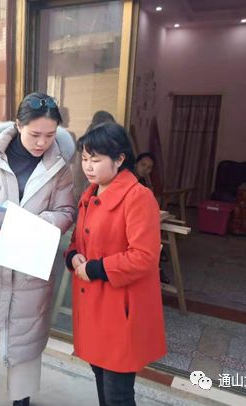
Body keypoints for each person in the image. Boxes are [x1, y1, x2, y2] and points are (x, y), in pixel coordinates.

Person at [0, 92, 76, 406]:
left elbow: (67, 212)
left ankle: (20, 401)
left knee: (24, 346)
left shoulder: (60, 167)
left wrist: (31, 224)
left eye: (50, 135)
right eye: (35, 134)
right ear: (18, 125)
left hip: (29, 266)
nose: (42, 143)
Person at [65, 123, 166, 406]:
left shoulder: (138, 197)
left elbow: (144, 256)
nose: (88, 166)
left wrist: (95, 268)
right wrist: (72, 256)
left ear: (120, 159)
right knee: (100, 375)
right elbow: (76, 241)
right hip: (94, 306)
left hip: (120, 310)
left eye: (96, 160)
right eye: (85, 158)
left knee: (117, 393)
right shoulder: (90, 194)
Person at [134, 152, 171, 283]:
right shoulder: (128, 177)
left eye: (149, 167)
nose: (145, 169)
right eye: (143, 164)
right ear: (136, 164)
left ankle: (157, 263)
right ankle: (157, 268)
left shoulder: (142, 181)